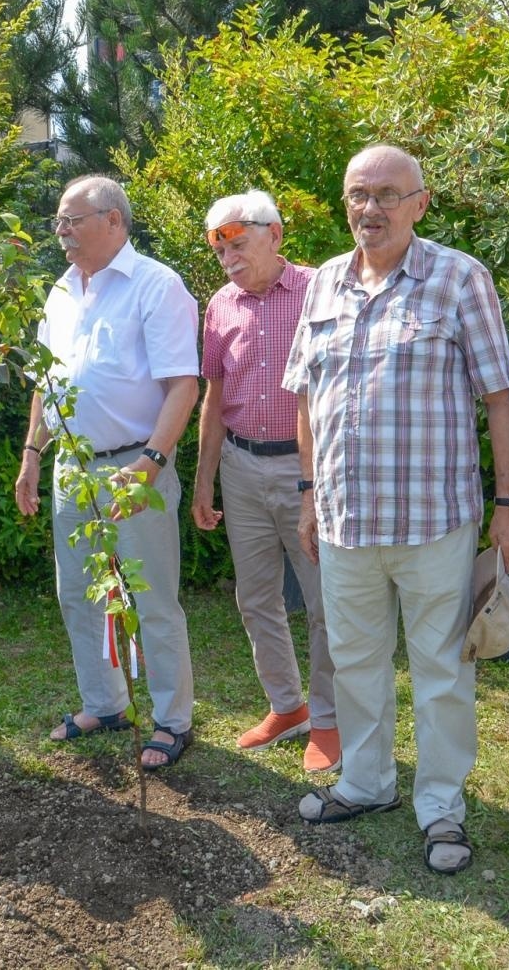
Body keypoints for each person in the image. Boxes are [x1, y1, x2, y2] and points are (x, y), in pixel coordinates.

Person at [282, 144, 509, 876]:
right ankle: (366, 783)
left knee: (442, 670)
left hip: (434, 520)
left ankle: (442, 805)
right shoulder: (324, 282)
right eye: (360, 193)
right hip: (345, 519)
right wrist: (308, 493)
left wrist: (507, 499)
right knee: (354, 659)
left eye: (390, 194)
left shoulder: (459, 278)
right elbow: (306, 397)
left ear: (421, 203)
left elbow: (499, 397)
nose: (372, 208)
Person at [13, 176, 201, 771]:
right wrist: (31, 456)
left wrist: (151, 464)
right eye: (58, 221)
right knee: (79, 593)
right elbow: (46, 384)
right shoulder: (60, 292)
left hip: (133, 464)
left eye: (72, 219)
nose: (61, 231)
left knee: (151, 599)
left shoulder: (157, 285)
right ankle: (106, 703)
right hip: (72, 466)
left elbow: (183, 387)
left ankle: (172, 720)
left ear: (114, 221)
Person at [192, 190, 339, 773]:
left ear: (275, 234)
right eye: (218, 244)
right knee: (255, 597)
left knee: (327, 600)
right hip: (241, 466)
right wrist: (204, 479)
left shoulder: (319, 292)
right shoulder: (219, 305)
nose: (227, 253)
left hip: (309, 470)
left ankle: (329, 720)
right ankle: (289, 706)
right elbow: (214, 395)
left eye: (237, 238)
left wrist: (316, 479)